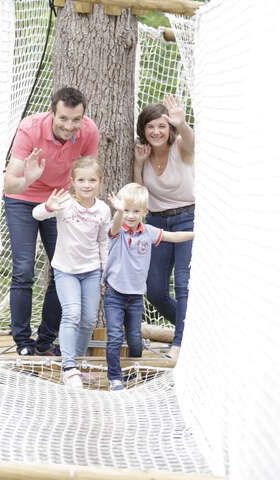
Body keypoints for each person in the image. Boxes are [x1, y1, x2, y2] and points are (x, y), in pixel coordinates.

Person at [3, 87, 100, 356]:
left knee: (63, 270)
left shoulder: (89, 132)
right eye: (64, 119)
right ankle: (23, 341)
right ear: (52, 112)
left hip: (59, 201)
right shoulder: (30, 128)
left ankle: (46, 340)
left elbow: (86, 175)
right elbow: (10, 182)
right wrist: (31, 177)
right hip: (23, 196)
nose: (70, 126)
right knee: (23, 270)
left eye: (76, 119)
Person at [102, 183, 194, 391]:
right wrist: (118, 211)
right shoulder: (117, 231)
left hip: (135, 296)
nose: (130, 216)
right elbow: (116, 226)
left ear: (144, 212)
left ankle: (134, 370)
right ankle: (115, 378)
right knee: (115, 335)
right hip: (114, 293)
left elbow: (173, 236)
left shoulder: (148, 232)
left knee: (135, 337)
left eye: (136, 211)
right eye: (126, 210)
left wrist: (195, 234)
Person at [32, 157, 110, 389]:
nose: (87, 185)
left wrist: (104, 270)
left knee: (88, 319)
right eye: (81, 180)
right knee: (72, 313)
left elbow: (103, 241)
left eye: (92, 180)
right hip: (66, 270)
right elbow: (37, 214)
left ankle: (77, 363)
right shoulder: (64, 203)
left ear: (100, 182)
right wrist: (48, 207)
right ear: (73, 182)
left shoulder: (103, 209)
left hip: (91, 271)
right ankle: (68, 367)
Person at [132, 96, 195, 361]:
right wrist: (137, 164)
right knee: (155, 289)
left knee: (183, 283)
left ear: (169, 129)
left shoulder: (180, 147)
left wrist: (182, 124)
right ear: (143, 129)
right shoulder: (143, 155)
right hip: (156, 222)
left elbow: (193, 144)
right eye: (150, 127)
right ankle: (192, 329)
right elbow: (139, 194)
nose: (156, 132)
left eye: (162, 126)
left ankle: (179, 343)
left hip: (187, 219)